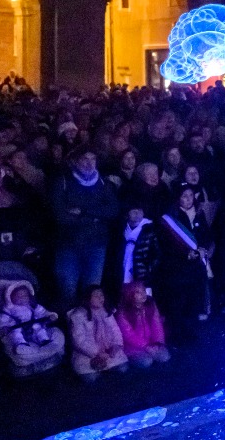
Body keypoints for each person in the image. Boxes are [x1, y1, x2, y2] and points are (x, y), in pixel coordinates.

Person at [51, 148, 120, 309]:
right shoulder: (62, 182)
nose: (89, 164)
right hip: (68, 245)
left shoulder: (103, 183)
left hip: (96, 245)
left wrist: (83, 211)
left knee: (92, 292)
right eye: (84, 159)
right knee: (68, 291)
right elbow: (60, 216)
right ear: (75, 161)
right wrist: (95, 217)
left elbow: (113, 210)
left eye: (93, 159)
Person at [158, 185, 214, 339]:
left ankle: (191, 332)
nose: (189, 199)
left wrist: (204, 248)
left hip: (197, 264)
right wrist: (185, 254)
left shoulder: (199, 214)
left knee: (194, 299)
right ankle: (177, 334)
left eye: (191, 195)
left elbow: (206, 234)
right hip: (179, 267)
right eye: (184, 196)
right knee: (179, 301)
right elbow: (166, 243)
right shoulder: (170, 219)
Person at [0, 280, 65, 372]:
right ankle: (21, 345)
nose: (22, 298)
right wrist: (2, 327)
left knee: (39, 329)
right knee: (15, 334)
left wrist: (50, 316)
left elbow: (42, 312)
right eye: (18, 296)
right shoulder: (8, 309)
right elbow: (1, 319)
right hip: (17, 328)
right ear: (10, 297)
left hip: (33, 326)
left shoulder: (33, 306)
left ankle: (44, 341)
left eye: (25, 296)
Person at [67, 285, 128, 382]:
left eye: (102, 295)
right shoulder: (78, 315)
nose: (100, 298)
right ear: (88, 298)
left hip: (108, 350)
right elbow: (79, 341)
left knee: (123, 368)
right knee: (91, 378)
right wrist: (97, 353)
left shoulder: (107, 312)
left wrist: (116, 346)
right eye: (96, 296)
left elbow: (115, 331)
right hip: (87, 355)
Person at [115, 282, 170, 368]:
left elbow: (157, 324)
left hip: (151, 343)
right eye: (138, 292)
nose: (143, 294)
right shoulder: (124, 311)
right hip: (133, 347)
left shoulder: (150, 305)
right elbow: (128, 334)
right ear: (130, 294)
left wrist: (158, 343)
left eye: (144, 290)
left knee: (164, 357)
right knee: (146, 362)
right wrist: (146, 346)